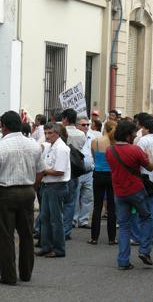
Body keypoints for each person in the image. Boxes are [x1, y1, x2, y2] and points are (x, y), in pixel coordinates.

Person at [0, 110, 44, 285]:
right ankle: (26, 273)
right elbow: (41, 171)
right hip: (27, 191)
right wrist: (33, 187)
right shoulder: (33, 145)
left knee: (6, 236)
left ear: (4, 126)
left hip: (6, 193)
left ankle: (8, 276)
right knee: (26, 234)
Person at [105, 120, 153, 270]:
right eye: (133, 133)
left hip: (119, 191)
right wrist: (149, 155)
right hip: (136, 190)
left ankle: (123, 260)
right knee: (146, 217)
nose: (135, 135)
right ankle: (144, 250)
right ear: (128, 136)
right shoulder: (135, 150)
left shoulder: (109, 150)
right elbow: (150, 167)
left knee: (124, 226)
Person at [35, 122, 70, 258]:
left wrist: (43, 172)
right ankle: (46, 246)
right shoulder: (51, 146)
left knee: (55, 219)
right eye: (45, 133)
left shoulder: (61, 148)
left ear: (58, 133)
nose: (47, 136)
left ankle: (59, 249)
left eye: (50, 133)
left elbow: (59, 171)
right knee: (44, 218)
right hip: (48, 185)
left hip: (56, 186)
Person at [88, 121, 117, 245]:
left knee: (97, 206)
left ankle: (94, 237)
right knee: (112, 207)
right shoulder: (115, 144)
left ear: (104, 128)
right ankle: (111, 238)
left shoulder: (96, 141)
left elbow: (94, 158)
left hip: (98, 174)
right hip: (112, 175)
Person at [61, 108, 86, 239]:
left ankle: (57, 230)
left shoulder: (61, 132)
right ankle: (66, 230)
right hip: (75, 169)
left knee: (59, 202)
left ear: (65, 118)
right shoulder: (81, 135)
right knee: (71, 202)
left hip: (62, 169)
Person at [73, 116, 94, 228]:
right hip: (78, 171)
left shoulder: (92, 136)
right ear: (77, 126)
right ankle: (73, 219)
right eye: (83, 124)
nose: (86, 127)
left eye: (87, 124)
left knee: (87, 196)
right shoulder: (74, 137)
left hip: (89, 171)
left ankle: (84, 220)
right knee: (75, 196)